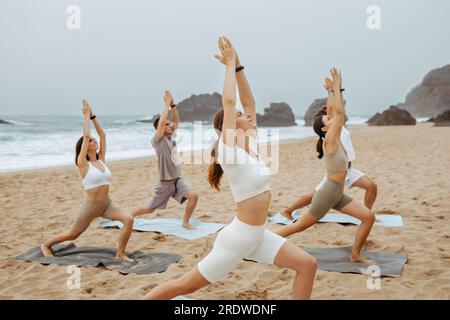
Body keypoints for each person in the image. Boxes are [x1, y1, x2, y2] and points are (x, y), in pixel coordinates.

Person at [143, 37, 317, 300]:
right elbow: (229, 101)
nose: (246, 115)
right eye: (238, 115)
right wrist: (228, 64)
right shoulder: (228, 151)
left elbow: (249, 103)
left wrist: (239, 68)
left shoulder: (251, 143)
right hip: (237, 240)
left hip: (258, 235)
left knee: (308, 265)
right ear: (229, 126)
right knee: (184, 286)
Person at [276, 69, 376, 265]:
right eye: (327, 120)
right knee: (299, 227)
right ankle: (260, 242)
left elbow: (334, 112)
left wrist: (332, 91)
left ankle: (355, 254)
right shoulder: (329, 141)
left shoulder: (334, 136)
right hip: (329, 192)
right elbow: (338, 113)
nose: (330, 119)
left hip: (337, 192)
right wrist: (337, 87)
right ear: (324, 129)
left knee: (368, 217)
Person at [41, 100, 134, 261]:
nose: (94, 140)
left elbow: (103, 135)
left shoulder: (102, 159)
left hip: (107, 204)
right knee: (73, 234)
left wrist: (93, 116)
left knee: (129, 219)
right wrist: (85, 116)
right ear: (84, 146)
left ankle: (120, 254)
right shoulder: (82, 163)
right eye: (91, 140)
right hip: (91, 206)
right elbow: (85, 136)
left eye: (93, 139)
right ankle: (46, 245)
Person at [282, 104, 378, 220]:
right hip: (336, 174)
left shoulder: (339, 127)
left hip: (348, 170)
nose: (330, 116)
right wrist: (333, 90)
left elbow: (338, 110)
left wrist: (337, 89)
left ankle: (366, 213)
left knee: (371, 186)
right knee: (314, 195)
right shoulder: (333, 132)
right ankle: (289, 210)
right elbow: (336, 110)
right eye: (327, 116)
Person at [131, 91, 198, 230]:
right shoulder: (158, 140)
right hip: (164, 184)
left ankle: (185, 222)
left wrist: (173, 104)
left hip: (177, 181)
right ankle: (128, 216)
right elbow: (161, 122)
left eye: (170, 125)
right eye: (167, 125)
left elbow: (177, 120)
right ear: (160, 129)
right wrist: (166, 104)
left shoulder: (171, 137)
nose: (170, 126)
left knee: (194, 196)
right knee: (149, 209)